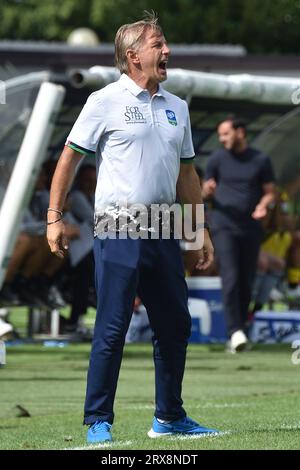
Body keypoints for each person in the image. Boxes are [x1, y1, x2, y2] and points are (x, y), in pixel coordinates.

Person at [47, 12, 218, 443]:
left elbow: (187, 177)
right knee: (113, 324)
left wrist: (198, 232)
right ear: (132, 55)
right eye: (158, 44)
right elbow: (68, 160)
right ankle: (97, 420)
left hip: (163, 227)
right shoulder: (104, 101)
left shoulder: (177, 107)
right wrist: (54, 216)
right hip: (116, 226)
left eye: (165, 43)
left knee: (175, 324)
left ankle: (170, 418)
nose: (167, 51)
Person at [203, 116, 276, 353]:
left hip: (251, 228)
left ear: (240, 132)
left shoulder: (260, 160)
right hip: (224, 226)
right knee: (231, 277)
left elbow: (269, 192)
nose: (222, 139)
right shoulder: (216, 159)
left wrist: (264, 205)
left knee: (246, 280)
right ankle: (234, 331)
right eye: (220, 134)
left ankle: (240, 329)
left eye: (225, 133)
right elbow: (203, 192)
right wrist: (207, 191)